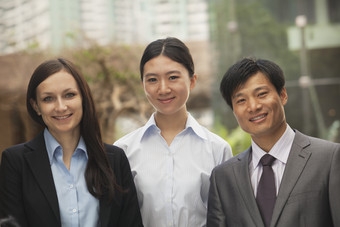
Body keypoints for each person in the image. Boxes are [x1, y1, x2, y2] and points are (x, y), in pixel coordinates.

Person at [0, 58, 143, 227]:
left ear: (83, 98)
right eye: (48, 99)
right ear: (36, 106)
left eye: (69, 95)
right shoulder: (16, 162)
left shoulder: (115, 159)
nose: (61, 107)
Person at [207, 57, 340, 227]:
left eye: (261, 94)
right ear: (234, 111)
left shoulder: (329, 159)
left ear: (282, 95)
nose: (253, 106)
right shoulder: (223, 178)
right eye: (241, 100)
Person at [114, 37, 233, 227]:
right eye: (152, 80)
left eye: (173, 77)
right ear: (143, 85)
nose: (163, 88)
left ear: (192, 81)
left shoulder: (217, 149)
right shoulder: (123, 150)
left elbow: (227, 217)